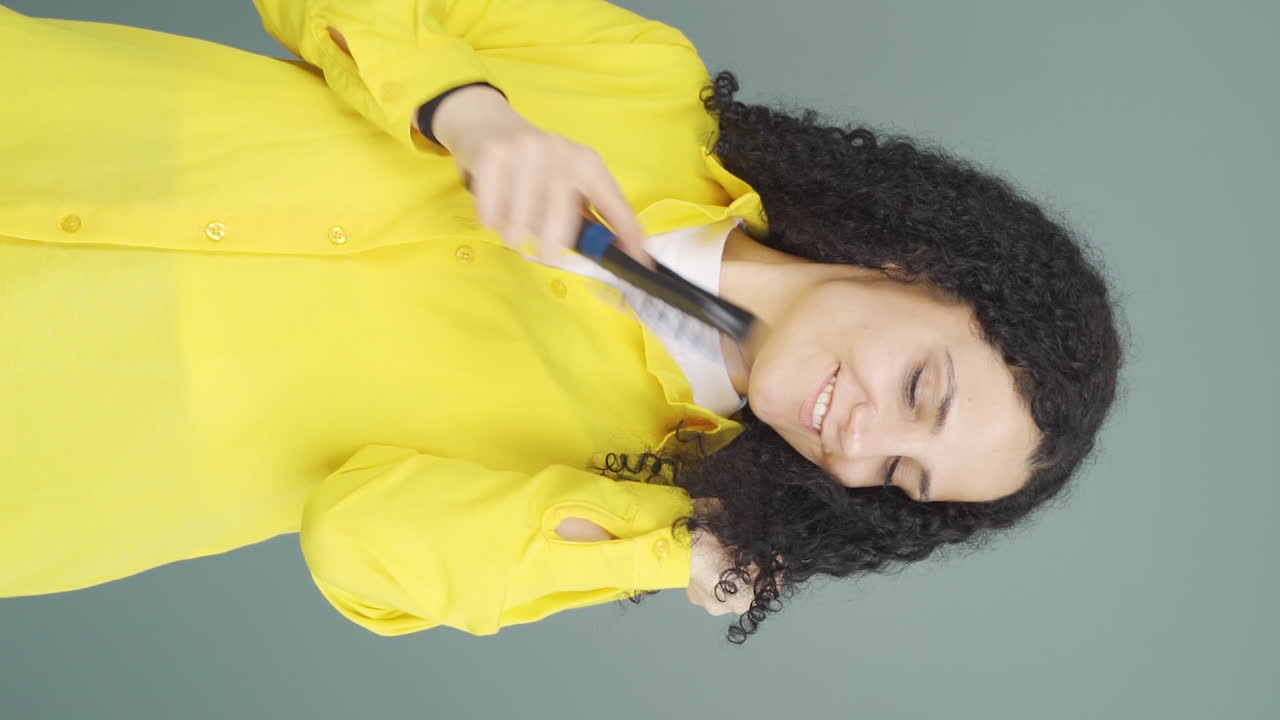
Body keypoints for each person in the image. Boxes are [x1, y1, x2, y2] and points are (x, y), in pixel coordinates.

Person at [0, 0, 1122, 644]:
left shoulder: (619, 497)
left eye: (896, 475)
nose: (859, 441)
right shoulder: (643, 83)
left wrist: (670, 547)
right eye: (922, 391)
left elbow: (360, 543)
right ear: (913, 263)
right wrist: (467, 112)